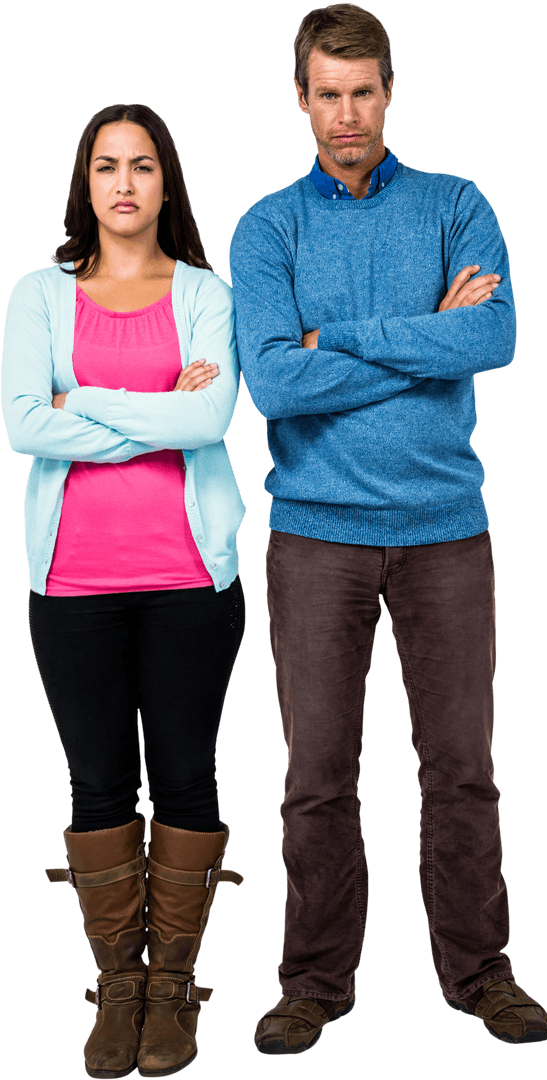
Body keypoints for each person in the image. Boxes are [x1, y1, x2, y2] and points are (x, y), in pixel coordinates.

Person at [229, 3, 547, 1055]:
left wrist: (346, 339)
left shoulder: (458, 203)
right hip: (315, 536)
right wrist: (428, 336)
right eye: (327, 92)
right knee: (317, 776)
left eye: (363, 90)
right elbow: (274, 379)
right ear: (301, 98)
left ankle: (481, 972)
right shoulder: (271, 227)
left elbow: (495, 334)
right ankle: (313, 981)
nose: (346, 113)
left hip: (446, 531)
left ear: (390, 90)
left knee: (461, 767)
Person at [1, 102, 246, 1079]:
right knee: (98, 782)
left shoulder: (205, 292)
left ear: (166, 182)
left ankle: (174, 991)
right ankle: (119, 990)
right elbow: (24, 427)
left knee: (185, 777)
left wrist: (85, 402)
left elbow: (217, 414)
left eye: (143, 165)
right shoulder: (37, 296)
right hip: (72, 585)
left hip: (190, 581)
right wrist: (160, 411)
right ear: (86, 182)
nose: (125, 184)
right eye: (108, 166)